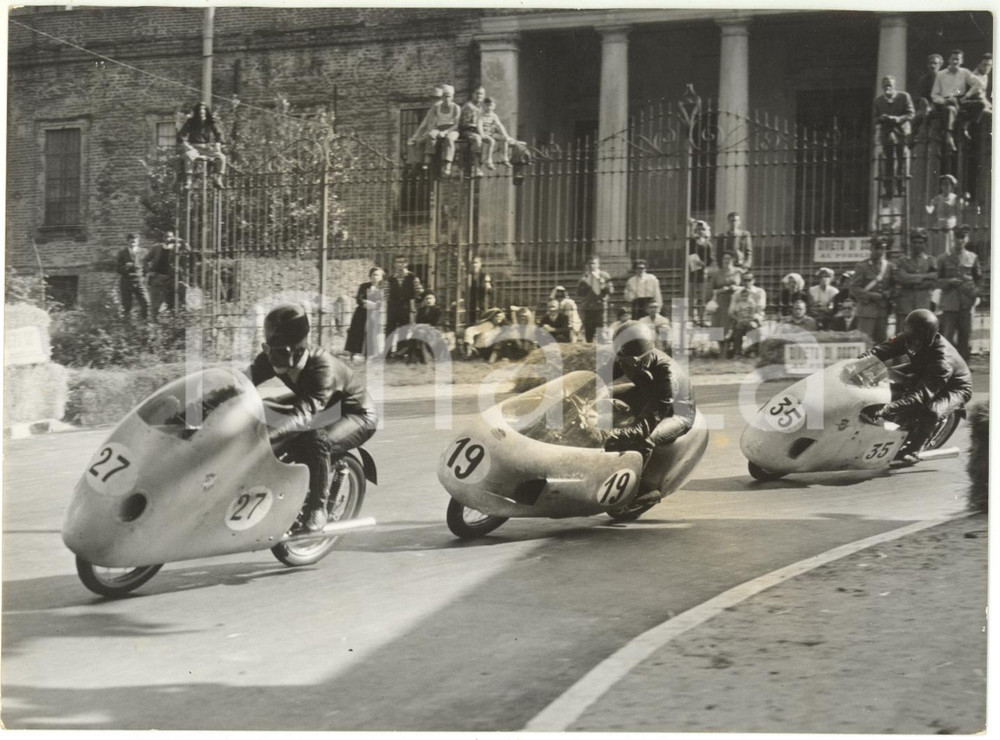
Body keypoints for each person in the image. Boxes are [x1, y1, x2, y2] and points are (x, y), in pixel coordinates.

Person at [248, 304, 378, 532]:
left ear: (297, 348)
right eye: (269, 348)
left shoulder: (322, 369)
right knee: (262, 408)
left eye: (279, 350)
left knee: (315, 440)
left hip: (355, 415)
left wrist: (266, 439)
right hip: (323, 407)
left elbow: (303, 417)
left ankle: (319, 508)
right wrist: (204, 403)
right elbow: (243, 384)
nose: (271, 356)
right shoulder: (273, 354)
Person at [860, 309, 972, 466]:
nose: (913, 343)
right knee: (887, 375)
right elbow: (878, 352)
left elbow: (921, 396)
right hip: (923, 370)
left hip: (954, 386)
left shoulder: (942, 361)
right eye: (910, 336)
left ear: (929, 337)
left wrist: (886, 409)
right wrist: (858, 363)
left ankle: (914, 450)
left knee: (931, 410)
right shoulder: (907, 337)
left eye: (918, 339)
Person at [598, 320, 695, 466]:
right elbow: (598, 378)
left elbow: (643, 428)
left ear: (641, 360)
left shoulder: (667, 375)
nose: (622, 364)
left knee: (643, 439)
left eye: (628, 362)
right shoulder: (626, 357)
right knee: (603, 394)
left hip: (677, 412)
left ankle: (641, 486)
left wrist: (608, 434)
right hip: (646, 392)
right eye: (620, 359)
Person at [936, 224, 981, 361]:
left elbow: (978, 279)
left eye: (963, 237)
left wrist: (975, 293)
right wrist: (949, 282)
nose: (960, 240)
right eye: (957, 237)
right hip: (949, 304)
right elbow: (937, 281)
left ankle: (963, 368)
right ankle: (947, 366)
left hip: (966, 305)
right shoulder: (943, 258)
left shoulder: (972, 257)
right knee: (947, 338)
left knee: (964, 337)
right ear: (953, 238)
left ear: (966, 239)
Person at [931, 49, 985, 151]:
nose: (955, 62)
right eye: (953, 59)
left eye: (957, 59)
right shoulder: (941, 74)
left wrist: (967, 95)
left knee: (980, 104)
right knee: (950, 109)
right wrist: (944, 101)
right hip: (946, 101)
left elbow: (979, 84)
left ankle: (965, 126)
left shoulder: (965, 72)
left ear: (961, 61)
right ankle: (949, 136)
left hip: (960, 100)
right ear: (949, 60)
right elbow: (934, 95)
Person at [873, 75, 914, 199]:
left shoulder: (904, 97)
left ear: (894, 86)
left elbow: (911, 113)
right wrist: (881, 118)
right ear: (882, 87)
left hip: (901, 132)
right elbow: (874, 119)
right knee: (887, 161)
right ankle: (889, 190)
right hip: (887, 134)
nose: (888, 87)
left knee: (901, 159)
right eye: (885, 85)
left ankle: (900, 188)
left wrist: (898, 119)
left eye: (890, 85)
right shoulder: (878, 101)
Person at [408, 83, 461, 175]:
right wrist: (416, 136)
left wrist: (446, 132)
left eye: (448, 96)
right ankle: (426, 160)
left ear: (452, 97)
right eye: (444, 96)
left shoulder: (456, 107)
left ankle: (447, 164)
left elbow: (456, 124)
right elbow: (425, 123)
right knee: (431, 135)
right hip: (439, 128)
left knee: (449, 139)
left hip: (452, 129)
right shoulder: (436, 107)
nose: (446, 99)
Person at [849, 236, 894, 343]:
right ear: (871, 248)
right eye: (876, 248)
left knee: (881, 342)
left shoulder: (889, 266)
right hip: (866, 310)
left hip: (883, 310)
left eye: (882, 248)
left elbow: (894, 285)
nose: (879, 251)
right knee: (864, 341)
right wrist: (871, 295)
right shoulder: (862, 266)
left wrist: (889, 293)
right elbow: (854, 288)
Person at [893, 229, 938, 335]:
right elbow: (902, 278)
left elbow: (934, 279)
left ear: (925, 244)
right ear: (910, 243)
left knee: (923, 335)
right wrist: (925, 276)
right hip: (905, 305)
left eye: (920, 242)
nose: (917, 245)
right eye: (914, 242)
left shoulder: (931, 261)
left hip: (923, 303)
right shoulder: (902, 260)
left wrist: (912, 279)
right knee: (902, 336)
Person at [178, 102, 226, 189]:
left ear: (206, 112)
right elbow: (181, 135)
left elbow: (219, 134)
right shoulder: (191, 122)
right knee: (188, 155)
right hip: (195, 148)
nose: (202, 113)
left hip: (207, 148)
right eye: (200, 110)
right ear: (197, 112)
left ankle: (217, 179)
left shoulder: (210, 122)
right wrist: (186, 144)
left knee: (221, 157)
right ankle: (188, 180)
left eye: (204, 110)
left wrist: (218, 143)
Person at [344, 266, 386, 362]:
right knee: (356, 332)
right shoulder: (364, 286)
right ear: (370, 276)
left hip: (373, 314)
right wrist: (366, 303)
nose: (375, 277)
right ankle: (351, 355)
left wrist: (373, 305)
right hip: (361, 312)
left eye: (378, 275)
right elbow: (359, 299)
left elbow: (380, 303)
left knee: (371, 333)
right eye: (373, 275)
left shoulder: (382, 289)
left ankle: (368, 356)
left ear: (381, 277)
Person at [385, 255, 423, 358]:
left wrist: (413, 302)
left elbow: (419, 292)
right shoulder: (391, 279)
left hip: (407, 307)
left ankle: (400, 353)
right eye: (397, 262)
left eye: (402, 262)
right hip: (393, 307)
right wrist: (391, 304)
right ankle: (387, 354)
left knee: (404, 329)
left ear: (406, 264)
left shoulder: (412, 277)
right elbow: (386, 294)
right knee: (390, 329)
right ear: (394, 264)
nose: (400, 265)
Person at [144, 232, 185, 318]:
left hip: (171, 278)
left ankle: (173, 320)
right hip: (158, 277)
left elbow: (188, 249)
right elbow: (145, 260)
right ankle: (153, 321)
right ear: (163, 238)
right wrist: (148, 271)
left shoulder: (176, 247)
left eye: (170, 237)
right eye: (166, 237)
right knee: (155, 303)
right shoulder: (156, 248)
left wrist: (180, 240)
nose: (168, 239)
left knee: (172, 300)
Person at [728, 271, 767, 357]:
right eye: (745, 280)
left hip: (755, 317)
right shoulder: (737, 294)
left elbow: (760, 307)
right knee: (738, 327)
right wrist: (739, 319)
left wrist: (751, 316)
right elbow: (731, 311)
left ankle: (752, 350)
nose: (747, 282)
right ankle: (737, 352)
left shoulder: (759, 292)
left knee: (751, 325)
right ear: (742, 281)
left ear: (754, 280)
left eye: (749, 280)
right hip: (740, 318)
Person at [925, 174, 964, 257]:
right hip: (940, 227)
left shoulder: (955, 198)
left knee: (950, 247)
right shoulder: (938, 198)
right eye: (943, 184)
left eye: (947, 184)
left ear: (951, 186)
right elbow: (930, 210)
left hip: (951, 227)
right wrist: (929, 208)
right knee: (940, 249)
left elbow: (959, 212)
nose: (945, 186)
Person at [577, 256, 613, 342]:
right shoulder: (584, 276)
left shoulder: (604, 275)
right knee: (588, 332)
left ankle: (601, 351)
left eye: (594, 263)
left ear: (598, 264)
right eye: (589, 263)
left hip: (600, 306)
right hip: (588, 306)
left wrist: (603, 285)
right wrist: (584, 284)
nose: (591, 265)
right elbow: (579, 293)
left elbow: (610, 291)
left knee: (601, 330)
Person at [910, 54, 944, 144]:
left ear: (940, 65)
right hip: (928, 106)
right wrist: (922, 101)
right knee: (916, 117)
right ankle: (913, 138)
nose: (932, 66)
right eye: (930, 63)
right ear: (927, 65)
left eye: (935, 63)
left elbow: (958, 90)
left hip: (942, 104)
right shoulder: (924, 79)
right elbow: (919, 95)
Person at [116, 233, 149, 321]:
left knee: (145, 302)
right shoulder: (122, 253)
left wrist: (142, 277)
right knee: (126, 306)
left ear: (138, 242)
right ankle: (128, 326)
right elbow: (118, 269)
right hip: (126, 281)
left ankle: (145, 323)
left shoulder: (144, 252)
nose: (133, 244)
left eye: (135, 242)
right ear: (127, 242)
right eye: (131, 242)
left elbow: (146, 268)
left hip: (139, 281)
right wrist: (125, 266)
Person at [688, 220, 714, 322]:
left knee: (702, 296)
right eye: (698, 229)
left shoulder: (708, 244)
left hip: (702, 272)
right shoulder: (692, 241)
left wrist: (704, 264)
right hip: (691, 271)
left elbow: (710, 258)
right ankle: (691, 316)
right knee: (691, 295)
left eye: (702, 229)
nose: (700, 231)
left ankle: (702, 317)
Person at [478, 97, 515, 169]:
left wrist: (505, 135)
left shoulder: (494, 115)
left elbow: (499, 125)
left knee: (504, 139)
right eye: (487, 105)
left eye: (490, 105)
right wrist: (481, 134)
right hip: (484, 133)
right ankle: (488, 161)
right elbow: (479, 124)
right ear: (483, 106)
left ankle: (504, 158)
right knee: (492, 141)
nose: (489, 107)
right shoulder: (481, 115)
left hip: (491, 133)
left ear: (494, 106)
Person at [408, 291, 444, 364]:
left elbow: (435, 323)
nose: (428, 300)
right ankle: (415, 358)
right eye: (427, 299)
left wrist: (420, 326)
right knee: (415, 334)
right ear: (424, 300)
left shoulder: (438, 310)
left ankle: (426, 359)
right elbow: (418, 321)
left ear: (435, 299)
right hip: (422, 330)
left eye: (431, 298)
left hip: (435, 329)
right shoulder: (421, 310)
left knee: (421, 334)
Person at [458, 86, 485, 177]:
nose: (479, 96)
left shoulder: (481, 107)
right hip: (467, 131)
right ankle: (476, 166)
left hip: (477, 130)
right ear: (473, 94)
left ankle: (485, 162)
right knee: (477, 140)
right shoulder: (468, 106)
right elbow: (465, 124)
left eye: (481, 94)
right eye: (477, 93)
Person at [466, 256, 493, 325]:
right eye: (473, 263)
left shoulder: (485, 275)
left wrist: (488, 284)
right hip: (472, 301)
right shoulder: (469, 275)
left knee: (483, 319)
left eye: (476, 263)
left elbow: (490, 290)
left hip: (482, 301)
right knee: (471, 320)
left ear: (480, 264)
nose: (474, 265)